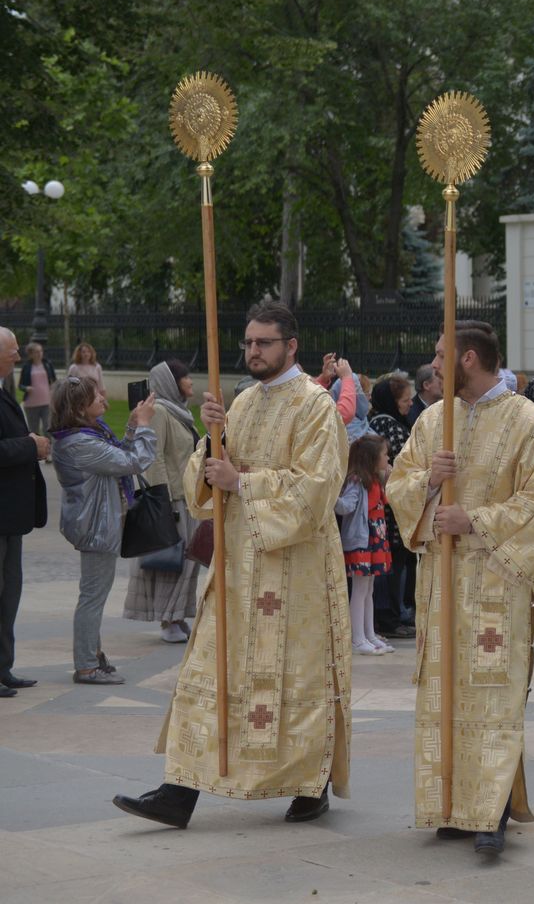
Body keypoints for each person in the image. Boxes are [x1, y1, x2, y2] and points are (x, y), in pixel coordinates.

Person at [112, 303, 350, 830]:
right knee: (208, 672)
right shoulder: (241, 403)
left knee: (295, 678)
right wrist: (211, 442)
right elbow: (206, 484)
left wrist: (241, 481)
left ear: (291, 345)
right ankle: (178, 792)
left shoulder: (316, 405)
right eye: (248, 342)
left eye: (264, 342)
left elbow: (318, 488)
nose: (253, 351)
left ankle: (311, 786)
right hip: (239, 565)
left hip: (296, 569)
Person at [387, 320, 534, 855]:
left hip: (497, 585)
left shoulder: (530, 422)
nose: (434, 365)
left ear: (468, 359)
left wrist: (475, 521)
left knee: (494, 698)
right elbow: (398, 484)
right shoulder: (432, 420)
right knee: (444, 696)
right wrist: (429, 482)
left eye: (442, 355)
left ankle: (491, 812)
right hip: (441, 585)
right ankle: (453, 805)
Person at [49, 375, 156, 683]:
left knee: (93, 595)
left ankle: (93, 656)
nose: (103, 399)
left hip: (97, 523)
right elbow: (135, 461)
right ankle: (86, 666)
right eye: (96, 397)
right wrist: (145, 426)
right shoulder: (80, 443)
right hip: (96, 528)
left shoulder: (85, 435)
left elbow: (119, 457)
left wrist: (132, 426)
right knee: (93, 597)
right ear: (80, 407)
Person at [122, 360, 202, 644]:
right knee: (175, 560)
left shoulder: (181, 412)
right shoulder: (161, 412)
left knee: (187, 562)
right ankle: (168, 619)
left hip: (187, 497)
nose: (191, 381)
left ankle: (177, 616)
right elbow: (154, 458)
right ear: (171, 382)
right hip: (172, 500)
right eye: (185, 377)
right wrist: (163, 501)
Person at [0, 327, 50, 696]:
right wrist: (30, 445)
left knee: (9, 594)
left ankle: (4, 667)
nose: (18, 357)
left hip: (11, 515)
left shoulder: (5, 389)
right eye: (12, 351)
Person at [366, 374, 415, 639]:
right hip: (390, 509)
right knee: (394, 565)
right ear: (393, 401)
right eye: (405, 400)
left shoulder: (376, 422)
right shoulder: (391, 427)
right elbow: (406, 465)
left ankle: (390, 616)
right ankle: (391, 618)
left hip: (383, 506)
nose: (410, 404)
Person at [338, 434, 393, 656]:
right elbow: (345, 506)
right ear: (372, 458)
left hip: (375, 538)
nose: (388, 458)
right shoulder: (357, 481)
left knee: (369, 589)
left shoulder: (375, 479)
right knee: (360, 589)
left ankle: (369, 635)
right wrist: (329, 496)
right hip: (362, 539)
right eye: (384, 454)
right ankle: (357, 638)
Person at [18, 341, 55, 442]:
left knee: (48, 428)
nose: (40, 354)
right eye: (37, 352)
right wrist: (26, 388)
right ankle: (36, 449)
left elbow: (54, 380)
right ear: (31, 354)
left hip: (47, 402)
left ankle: (49, 449)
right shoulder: (26, 367)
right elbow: (20, 385)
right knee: (34, 430)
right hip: (31, 404)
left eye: (41, 351)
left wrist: (53, 387)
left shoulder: (47, 364)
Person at [406, 362, 441, 428]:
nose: (445, 385)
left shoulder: (444, 408)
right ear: (426, 385)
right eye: (440, 382)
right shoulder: (410, 413)